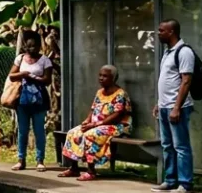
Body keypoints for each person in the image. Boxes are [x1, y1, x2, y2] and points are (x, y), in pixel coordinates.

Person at [59, 65, 131, 180]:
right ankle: (74, 168)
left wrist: (96, 124)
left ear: (113, 78)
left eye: (105, 76)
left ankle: (91, 171)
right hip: (96, 124)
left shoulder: (120, 94)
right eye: (100, 75)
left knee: (90, 135)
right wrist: (87, 121)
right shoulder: (99, 92)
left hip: (116, 126)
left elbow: (117, 115)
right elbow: (93, 109)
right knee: (73, 132)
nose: (101, 78)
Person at [152, 19, 197, 193]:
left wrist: (176, 107)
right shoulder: (167, 52)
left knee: (181, 146)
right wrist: (160, 103)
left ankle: (185, 183)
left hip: (177, 107)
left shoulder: (184, 52)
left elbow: (186, 80)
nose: (158, 33)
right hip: (165, 106)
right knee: (167, 145)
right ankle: (170, 180)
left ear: (171, 32)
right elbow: (167, 81)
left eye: (161, 30)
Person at [8, 33, 52, 172]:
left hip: (39, 99)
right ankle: (21, 160)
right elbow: (12, 75)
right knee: (22, 131)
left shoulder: (45, 61)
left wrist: (33, 78)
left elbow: (47, 80)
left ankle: (40, 160)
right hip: (23, 99)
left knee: (39, 130)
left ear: (39, 46)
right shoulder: (20, 59)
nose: (31, 48)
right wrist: (23, 75)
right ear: (25, 46)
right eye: (29, 45)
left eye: (34, 46)